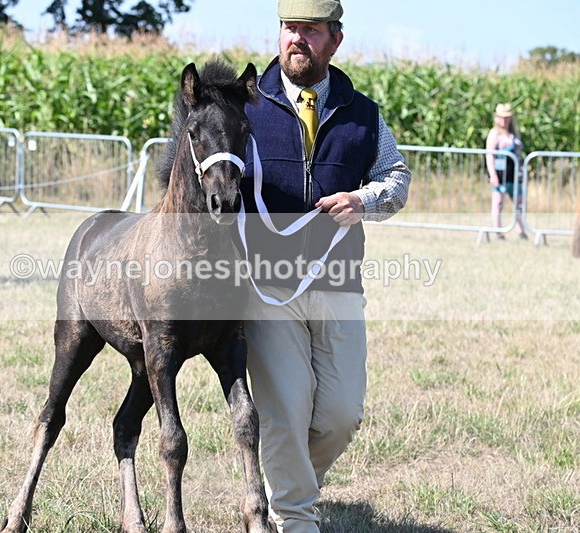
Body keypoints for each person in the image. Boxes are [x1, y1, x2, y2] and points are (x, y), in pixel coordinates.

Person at [238, 1, 411, 531]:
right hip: (267, 290)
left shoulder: (365, 114)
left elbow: (397, 179)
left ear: (334, 39)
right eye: (290, 29)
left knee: (340, 416)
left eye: (310, 31)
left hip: (339, 284)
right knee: (285, 413)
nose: (297, 40)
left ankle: (276, 486)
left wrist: (366, 201)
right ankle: (295, 518)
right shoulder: (244, 107)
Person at [485, 102, 526, 240]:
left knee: (519, 203)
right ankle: (498, 232)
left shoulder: (513, 134)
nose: (504, 120)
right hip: (500, 175)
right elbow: (489, 155)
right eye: (501, 117)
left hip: (514, 175)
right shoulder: (494, 134)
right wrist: (493, 175)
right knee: (498, 203)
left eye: (507, 117)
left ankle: (521, 231)